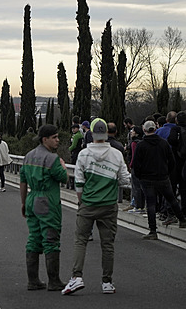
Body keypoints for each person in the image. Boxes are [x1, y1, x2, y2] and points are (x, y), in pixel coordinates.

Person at [62, 118, 131, 295]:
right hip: (108, 205)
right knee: (108, 244)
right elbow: (124, 179)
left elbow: (79, 182)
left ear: (91, 133)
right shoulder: (116, 154)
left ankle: (77, 277)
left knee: (81, 240)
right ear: (106, 133)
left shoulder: (84, 154)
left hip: (88, 204)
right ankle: (107, 282)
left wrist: (81, 201)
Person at [20, 124, 68, 291]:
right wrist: (62, 166)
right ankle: (53, 281)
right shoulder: (52, 159)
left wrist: (24, 203)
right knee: (51, 240)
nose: (57, 140)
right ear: (44, 139)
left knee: (34, 238)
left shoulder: (28, 156)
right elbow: (63, 178)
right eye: (54, 137)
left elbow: (23, 181)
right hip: (48, 200)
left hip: (32, 199)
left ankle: (32, 280)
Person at [132, 121, 186, 240]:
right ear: (155, 129)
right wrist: (167, 172)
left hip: (147, 178)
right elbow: (171, 161)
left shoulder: (141, 145)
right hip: (162, 176)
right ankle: (182, 219)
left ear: (144, 130)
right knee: (171, 199)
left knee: (150, 204)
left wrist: (140, 176)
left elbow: (136, 164)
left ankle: (153, 230)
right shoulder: (163, 143)